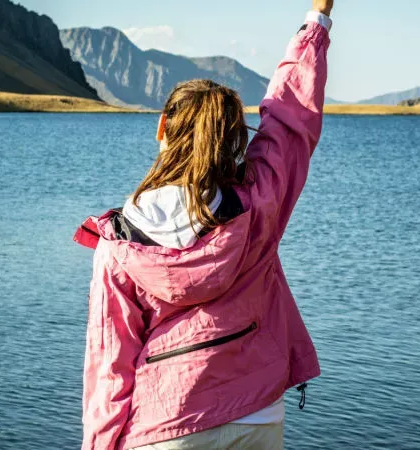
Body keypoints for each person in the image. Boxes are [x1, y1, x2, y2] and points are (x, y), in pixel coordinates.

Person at [73, 1, 333, 448]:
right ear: (230, 139)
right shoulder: (257, 208)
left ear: (162, 127)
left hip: (163, 428)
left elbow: (109, 369)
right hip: (257, 417)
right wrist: (318, 19)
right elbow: (289, 123)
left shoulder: (118, 245)